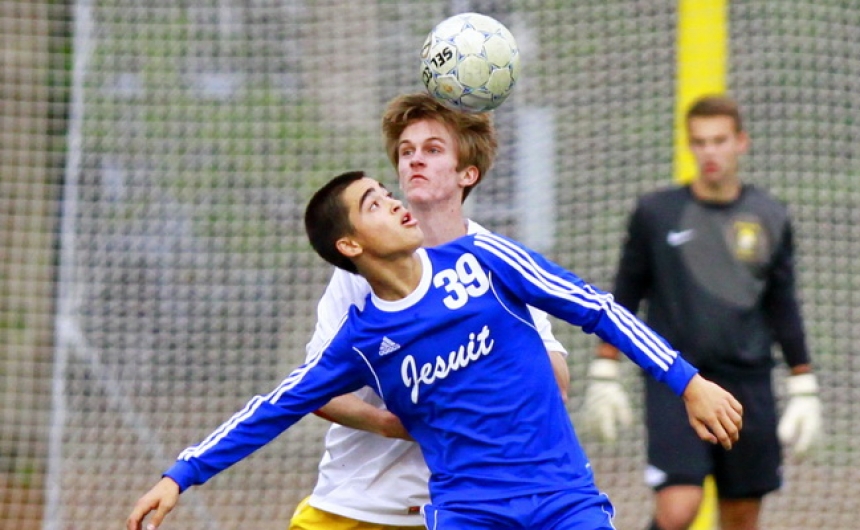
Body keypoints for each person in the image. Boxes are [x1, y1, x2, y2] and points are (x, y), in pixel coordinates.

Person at [127, 170, 743, 530]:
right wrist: (180, 475)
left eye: (386, 191)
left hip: (565, 502)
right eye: (373, 204)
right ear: (349, 245)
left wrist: (689, 383)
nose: (395, 201)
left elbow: (600, 309)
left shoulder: (485, 260)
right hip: (470, 515)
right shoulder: (361, 342)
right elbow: (274, 407)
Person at [288, 93, 572, 530]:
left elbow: (556, 381)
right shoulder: (364, 269)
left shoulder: (494, 260)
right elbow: (314, 390)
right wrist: (392, 423)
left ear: (467, 173)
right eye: (406, 151)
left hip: (468, 506)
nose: (415, 160)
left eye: (433, 150)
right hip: (356, 504)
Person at [579, 95, 822, 530]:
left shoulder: (770, 214)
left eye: (719, 140)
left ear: (740, 142)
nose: (710, 151)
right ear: (689, 145)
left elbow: (783, 303)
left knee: (742, 517)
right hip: (678, 380)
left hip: (749, 383)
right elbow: (623, 296)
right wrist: (605, 372)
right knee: (679, 507)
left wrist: (803, 382)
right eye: (700, 142)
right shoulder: (655, 213)